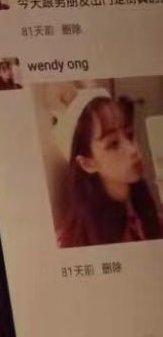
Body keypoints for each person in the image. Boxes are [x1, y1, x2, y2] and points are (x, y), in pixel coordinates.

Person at [55, 89, 162, 248]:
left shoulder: (148, 218)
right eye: (113, 143)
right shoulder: (74, 242)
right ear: (87, 164)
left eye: (129, 135)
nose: (132, 149)